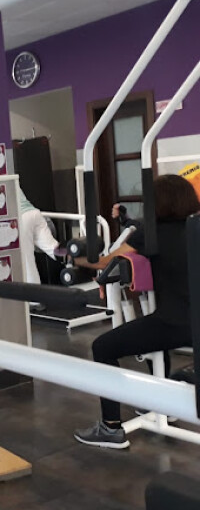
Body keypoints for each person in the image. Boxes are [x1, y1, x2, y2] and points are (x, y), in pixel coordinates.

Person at [73, 175, 200, 449]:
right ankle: (162, 404)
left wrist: (74, 256)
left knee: (103, 346)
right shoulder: (195, 226)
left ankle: (110, 428)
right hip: (194, 323)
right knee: (154, 339)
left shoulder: (150, 233)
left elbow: (104, 262)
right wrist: (127, 222)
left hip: (174, 323)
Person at [18, 189, 61, 284]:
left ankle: (34, 293)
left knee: (27, 263)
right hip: (34, 213)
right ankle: (85, 262)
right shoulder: (13, 180)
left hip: (21, 217)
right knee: (55, 249)